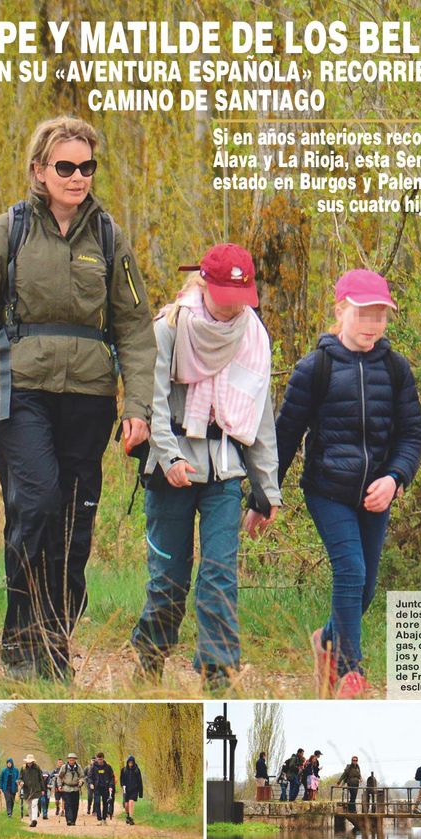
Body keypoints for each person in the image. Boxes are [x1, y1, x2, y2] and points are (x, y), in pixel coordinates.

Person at [0, 115, 156, 681]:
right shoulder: (8, 231)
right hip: (19, 395)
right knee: (36, 507)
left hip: (89, 402)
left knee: (73, 524)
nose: (77, 177)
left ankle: (53, 644)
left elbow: (136, 330)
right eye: (65, 166)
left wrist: (138, 408)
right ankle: (22, 640)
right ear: (39, 170)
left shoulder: (109, 238)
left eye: (87, 167)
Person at [130, 243, 281, 690]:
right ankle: (150, 659)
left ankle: (219, 675)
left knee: (219, 575)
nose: (236, 305)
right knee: (170, 582)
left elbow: (259, 415)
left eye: (243, 295)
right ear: (207, 285)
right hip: (172, 466)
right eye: (227, 294)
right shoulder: (170, 327)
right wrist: (169, 457)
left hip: (224, 472)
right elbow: (153, 401)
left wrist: (266, 490)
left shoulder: (253, 337)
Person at [274, 269, 421, 696]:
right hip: (328, 490)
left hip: (376, 495)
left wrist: (395, 478)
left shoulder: (395, 368)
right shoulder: (314, 368)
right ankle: (349, 673)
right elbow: (285, 435)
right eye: (364, 314)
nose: (372, 325)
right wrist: (264, 494)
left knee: (366, 587)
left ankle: (326, 640)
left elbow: (412, 433)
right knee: (351, 572)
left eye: (380, 316)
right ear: (341, 310)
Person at [58, 753, 84, 826]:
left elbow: (82, 776)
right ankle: (69, 820)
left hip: (76, 788)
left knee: (75, 805)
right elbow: (59, 777)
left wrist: (81, 782)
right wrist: (59, 785)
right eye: (70, 759)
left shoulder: (78, 767)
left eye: (73, 759)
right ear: (68, 760)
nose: (71, 760)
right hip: (66, 788)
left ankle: (73, 820)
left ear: (75, 760)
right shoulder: (64, 767)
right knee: (68, 804)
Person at [19, 755, 45, 828]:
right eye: (28, 762)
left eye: (30, 762)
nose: (29, 763)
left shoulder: (37, 768)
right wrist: (21, 782)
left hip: (36, 790)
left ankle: (34, 820)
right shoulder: (23, 768)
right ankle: (31, 820)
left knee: (34, 804)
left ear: (33, 761)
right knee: (29, 806)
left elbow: (41, 779)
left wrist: (43, 789)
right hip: (27, 790)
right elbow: (20, 778)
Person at [91, 752, 115, 824]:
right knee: (97, 802)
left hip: (105, 787)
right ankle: (99, 819)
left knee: (105, 803)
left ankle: (104, 819)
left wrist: (111, 786)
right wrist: (91, 783)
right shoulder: (93, 767)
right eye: (98, 759)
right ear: (96, 759)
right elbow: (90, 776)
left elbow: (112, 778)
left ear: (103, 759)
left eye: (101, 759)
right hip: (97, 788)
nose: (100, 761)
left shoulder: (108, 767)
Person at [120, 755, 143, 825]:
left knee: (131, 802)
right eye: (129, 762)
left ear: (133, 762)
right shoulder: (124, 770)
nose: (130, 764)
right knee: (126, 805)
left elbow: (140, 781)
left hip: (134, 790)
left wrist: (140, 792)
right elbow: (122, 779)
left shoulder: (137, 770)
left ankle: (131, 817)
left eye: (131, 762)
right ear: (127, 762)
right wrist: (123, 786)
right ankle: (128, 815)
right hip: (126, 790)